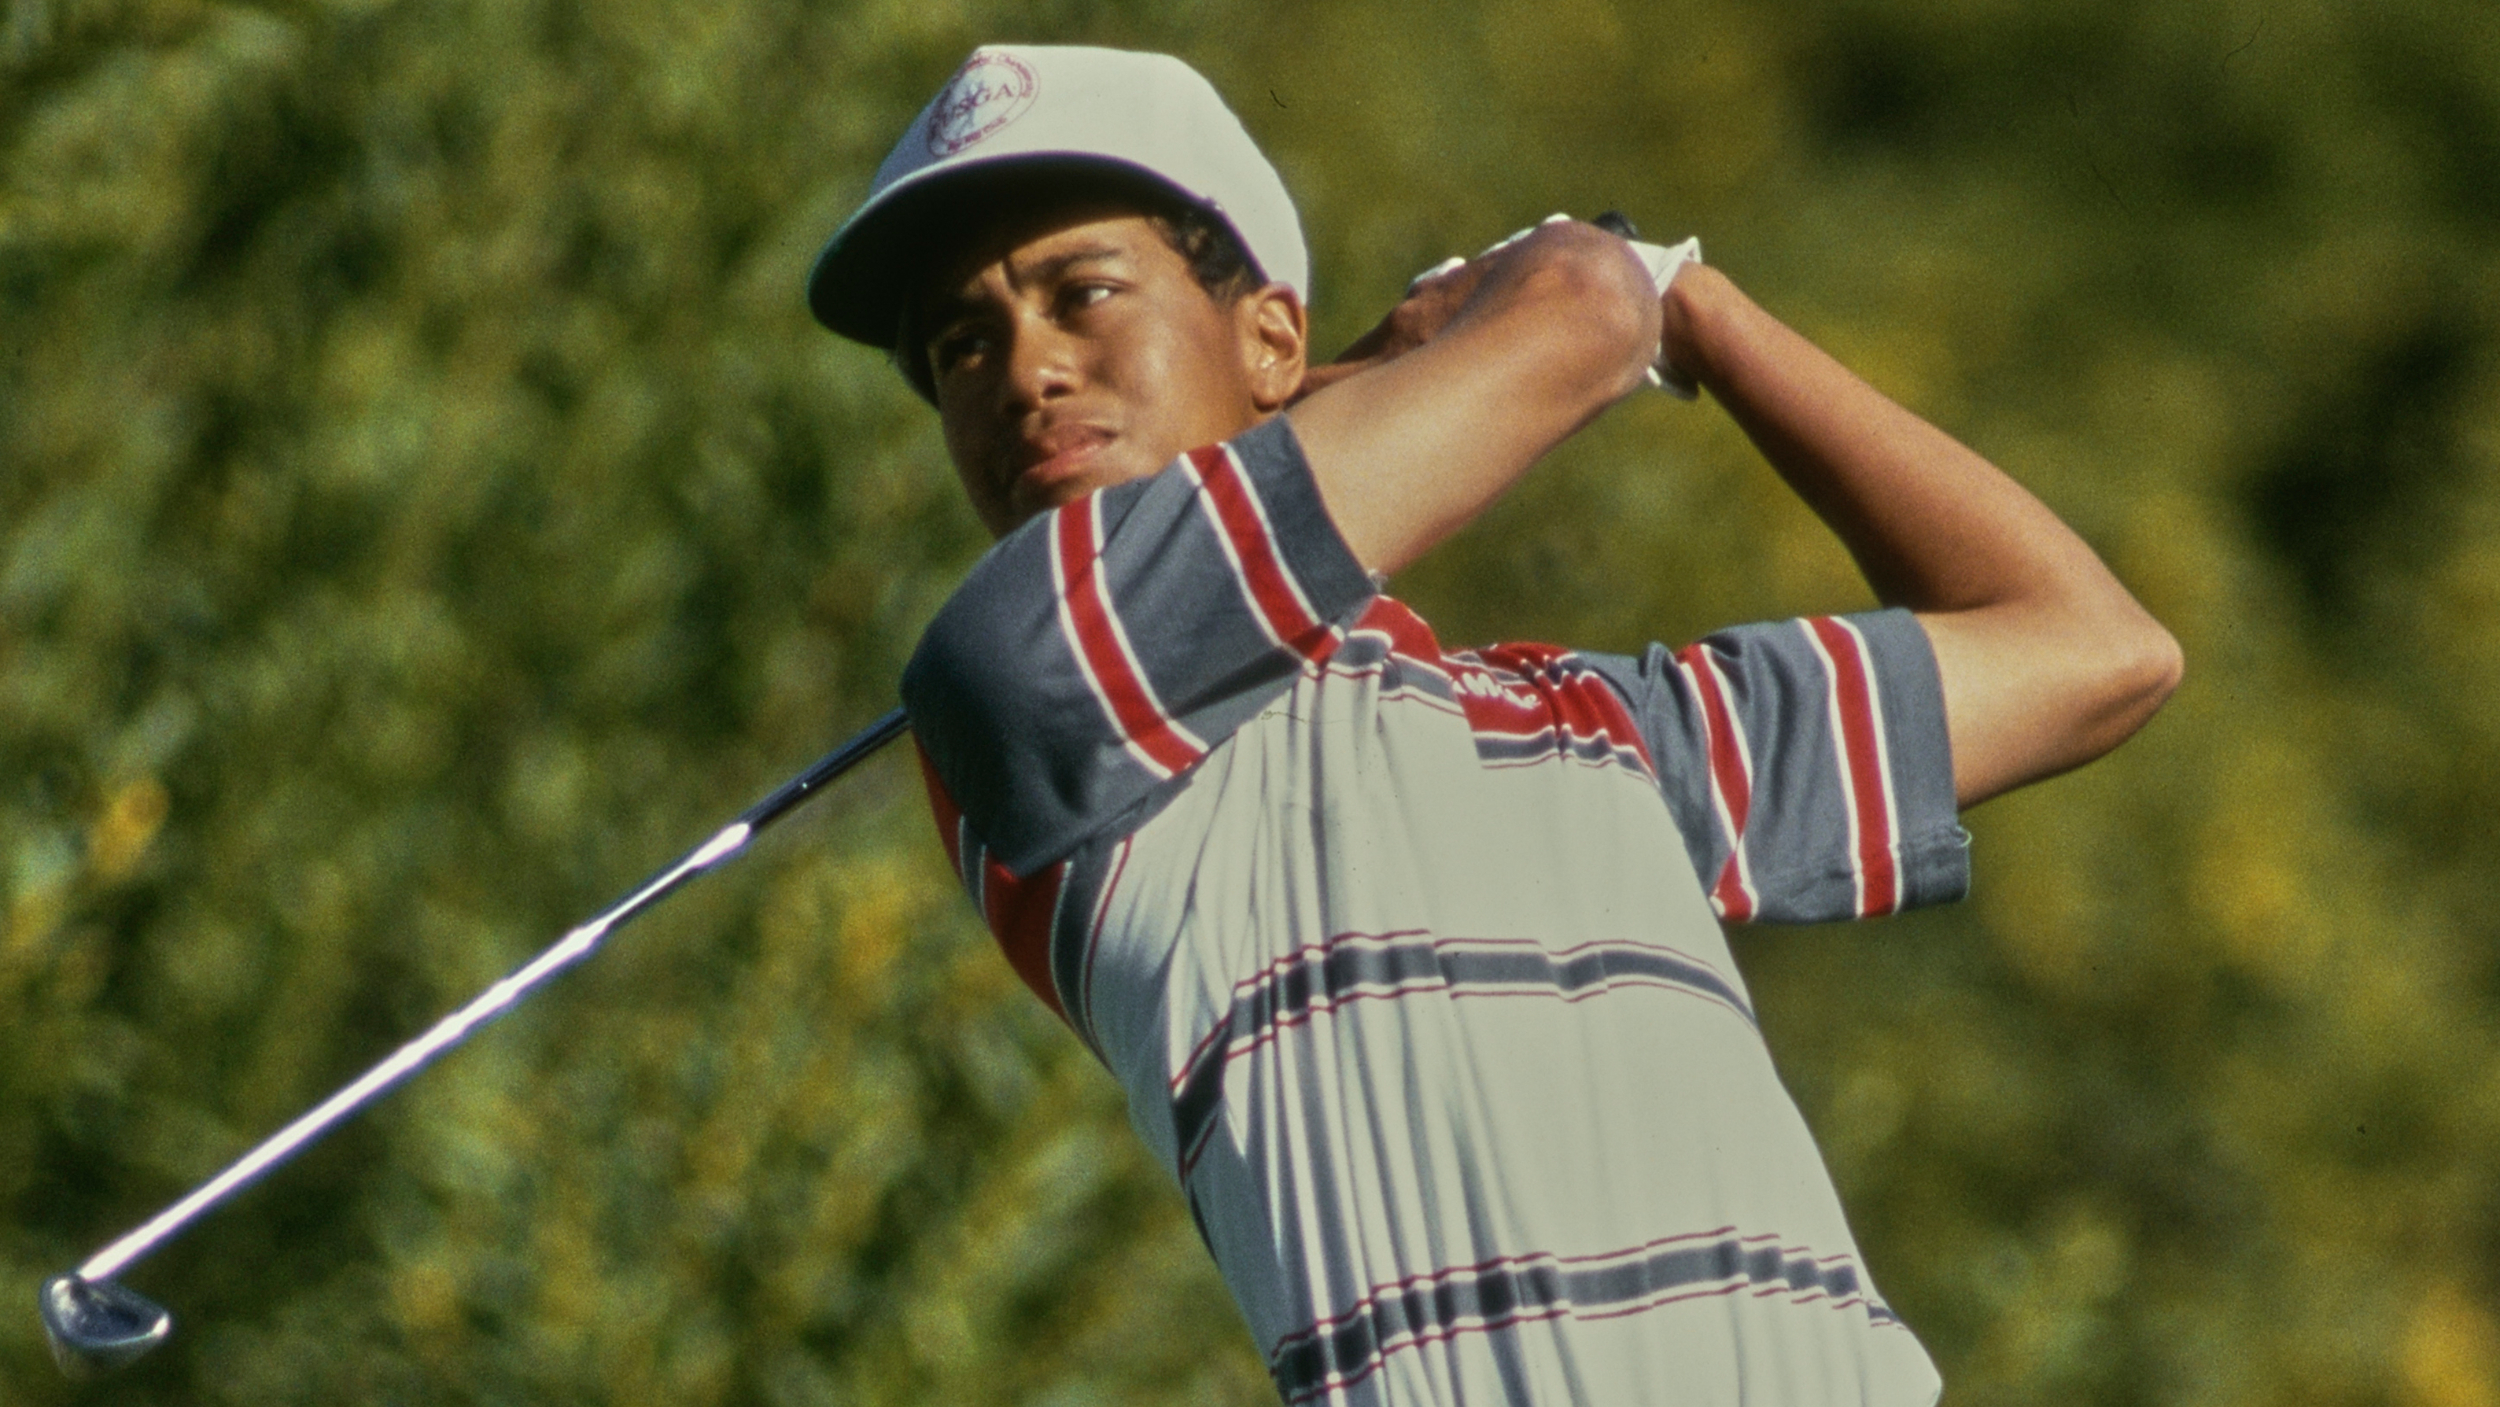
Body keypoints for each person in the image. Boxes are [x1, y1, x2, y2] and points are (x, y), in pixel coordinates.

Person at [807, 44, 2180, 1407]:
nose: (1025, 373)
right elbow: (1578, 312)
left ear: (1272, 340)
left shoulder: (1599, 731)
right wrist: (1614, 286)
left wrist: (1704, 315)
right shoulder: (1017, 681)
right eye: (962, 344)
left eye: (1083, 294)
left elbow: (2093, 650)